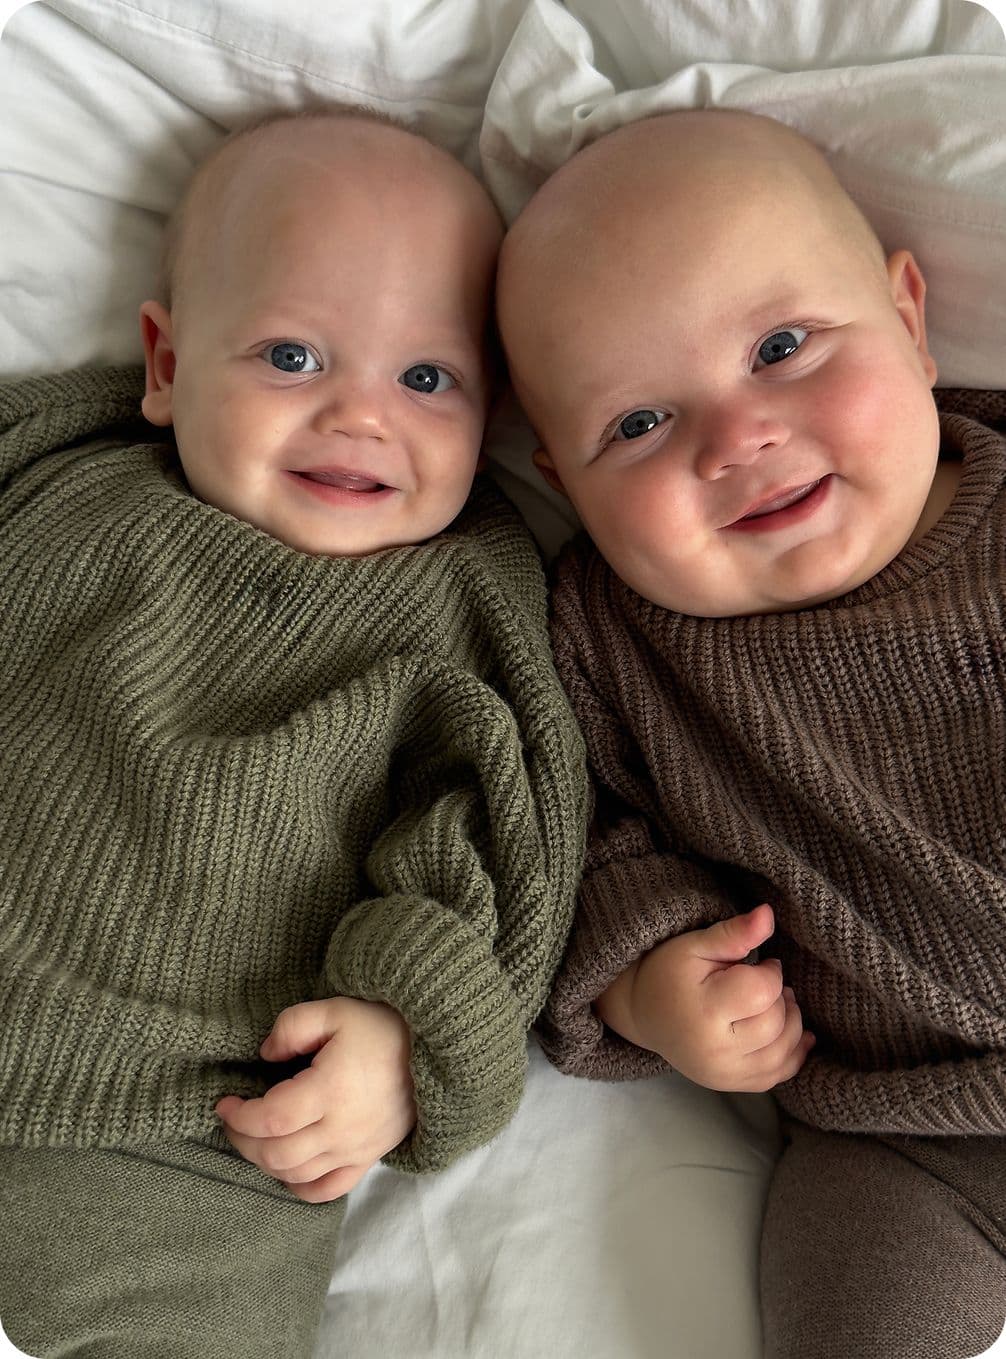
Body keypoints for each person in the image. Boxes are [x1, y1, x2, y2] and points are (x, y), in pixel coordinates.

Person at [0, 109, 587, 1359]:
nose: (360, 418)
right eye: (289, 356)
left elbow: (498, 840)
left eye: (427, 380)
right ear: (165, 364)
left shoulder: (461, 600)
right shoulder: (60, 468)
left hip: (184, 1135)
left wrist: (401, 1037)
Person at [496, 108, 1006, 1359]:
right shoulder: (610, 641)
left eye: (780, 346)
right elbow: (588, 846)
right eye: (637, 426)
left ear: (908, 318)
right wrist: (651, 983)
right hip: (909, 1127)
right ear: (562, 479)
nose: (737, 440)